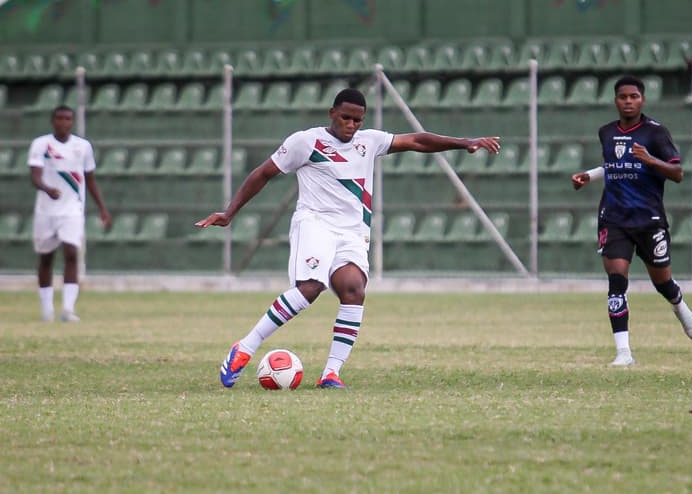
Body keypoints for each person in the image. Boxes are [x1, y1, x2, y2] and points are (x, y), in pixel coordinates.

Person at [196, 88, 501, 389]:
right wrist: (229, 212)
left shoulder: (369, 142)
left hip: (353, 232)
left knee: (354, 290)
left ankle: (331, 373)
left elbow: (417, 140)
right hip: (315, 223)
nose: (352, 125)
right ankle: (245, 348)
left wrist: (465, 143)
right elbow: (263, 173)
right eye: (346, 118)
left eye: (358, 120)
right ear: (332, 113)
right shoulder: (306, 142)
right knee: (310, 288)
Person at [571, 76, 692, 367]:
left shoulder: (656, 133)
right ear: (615, 101)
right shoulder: (606, 132)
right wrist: (588, 176)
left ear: (642, 100)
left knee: (662, 281)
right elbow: (613, 164)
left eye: (633, 96)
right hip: (614, 218)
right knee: (617, 282)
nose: (628, 101)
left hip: (649, 219)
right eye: (622, 97)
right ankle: (624, 352)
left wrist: (651, 160)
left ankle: (679, 306)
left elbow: (678, 174)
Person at [28, 105, 111, 322]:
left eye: (68, 119)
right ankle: (47, 310)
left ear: (72, 122)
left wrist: (102, 208)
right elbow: (35, 176)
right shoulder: (40, 144)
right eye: (60, 118)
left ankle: (67, 309)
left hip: (72, 209)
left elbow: (90, 179)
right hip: (46, 211)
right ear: (52, 121)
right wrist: (47, 189)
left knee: (71, 254)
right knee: (46, 258)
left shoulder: (82, 147)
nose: (64, 122)